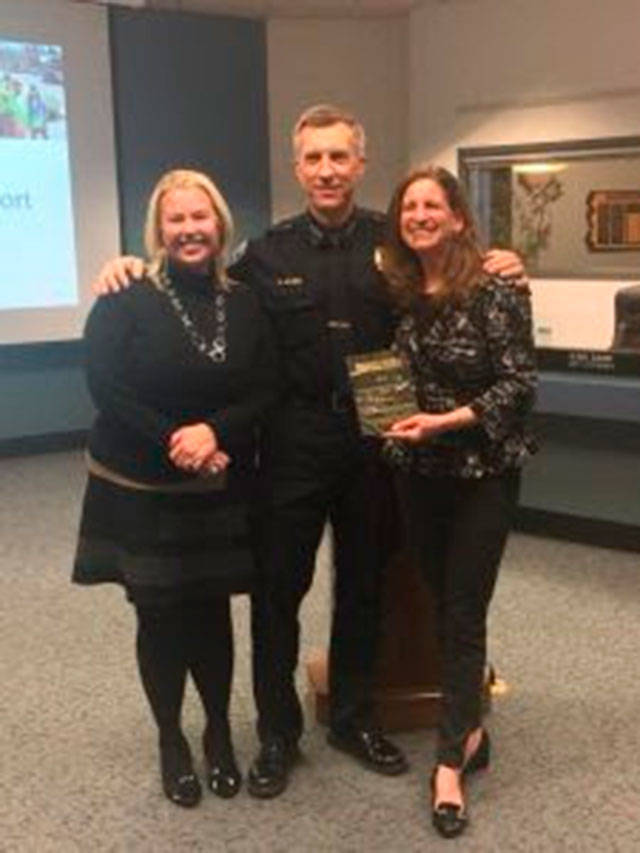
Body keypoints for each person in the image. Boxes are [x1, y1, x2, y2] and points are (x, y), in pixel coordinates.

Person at [92, 104, 525, 799]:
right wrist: (124, 266)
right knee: (276, 594)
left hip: (377, 442)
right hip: (290, 441)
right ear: (298, 169)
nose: (326, 169)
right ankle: (277, 732)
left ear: (359, 163)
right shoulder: (264, 254)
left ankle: (353, 717)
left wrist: (506, 259)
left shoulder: (396, 246)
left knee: (363, 587)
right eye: (313, 158)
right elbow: (197, 282)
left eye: (338, 157)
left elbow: (456, 271)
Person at [73, 169, 276, 808]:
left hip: (213, 484)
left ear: (220, 225)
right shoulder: (125, 295)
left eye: (200, 217)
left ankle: (218, 732)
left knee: (212, 611)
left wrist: (213, 433)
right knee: (158, 614)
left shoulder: (244, 300)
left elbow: (266, 386)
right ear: (158, 231)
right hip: (139, 483)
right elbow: (106, 386)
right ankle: (171, 739)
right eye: (177, 220)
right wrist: (177, 441)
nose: (190, 230)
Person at [380, 166, 537, 838]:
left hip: (481, 474)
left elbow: (518, 384)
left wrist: (444, 421)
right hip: (417, 472)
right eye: (409, 206)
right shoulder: (400, 287)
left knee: (464, 606)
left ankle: (449, 763)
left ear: (457, 216)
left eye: (431, 204)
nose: (419, 214)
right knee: (443, 600)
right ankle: (470, 725)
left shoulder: (497, 285)